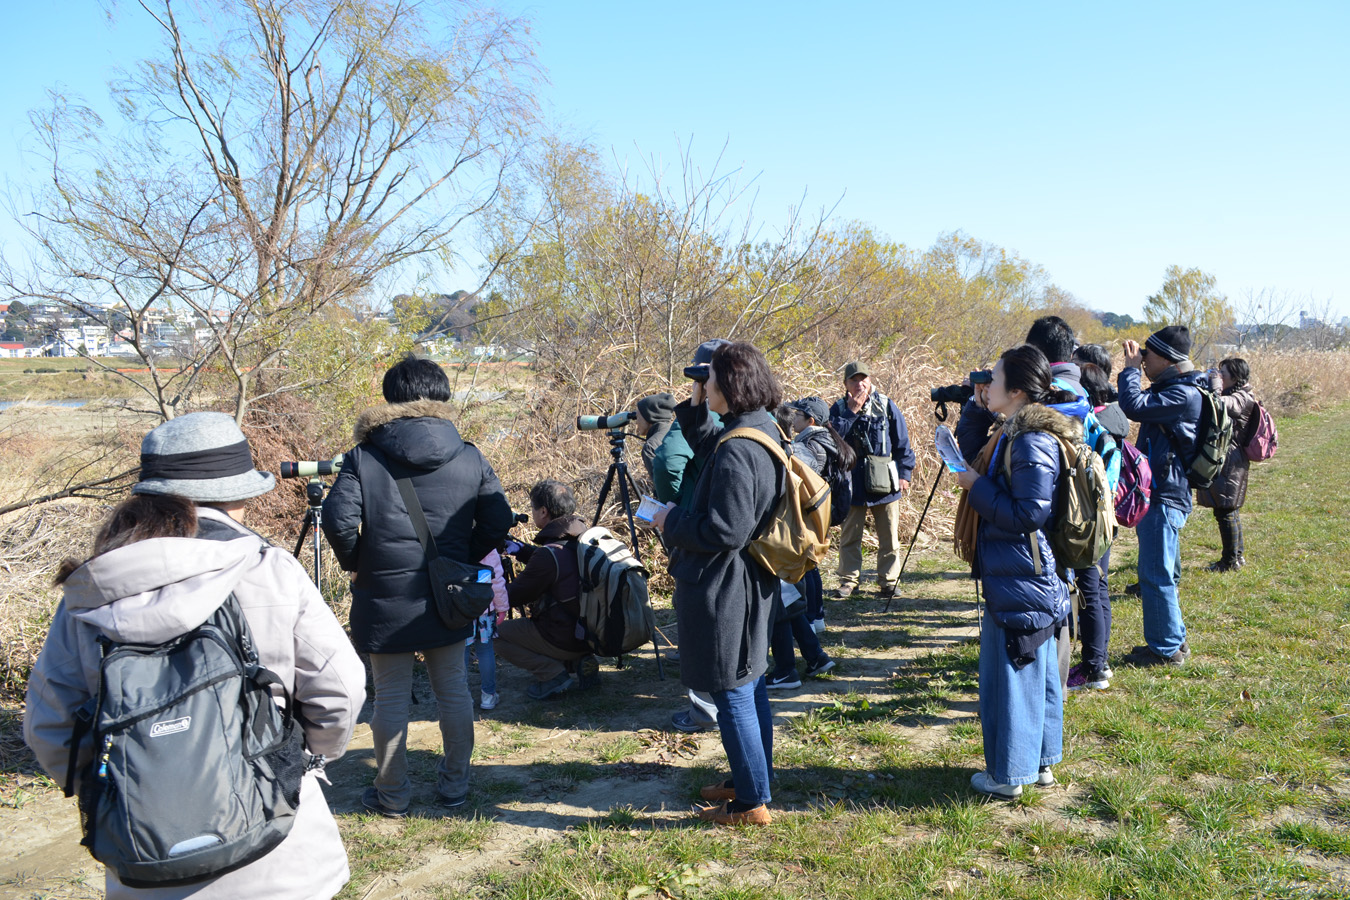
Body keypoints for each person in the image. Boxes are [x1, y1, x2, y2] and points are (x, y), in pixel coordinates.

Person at [25, 413, 367, 899]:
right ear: (243, 493)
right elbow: (341, 687)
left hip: (144, 856)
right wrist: (299, 761)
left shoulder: (96, 589)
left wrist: (124, 785)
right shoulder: (269, 569)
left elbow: (48, 726)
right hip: (277, 846)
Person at [322, 354, 514, 817]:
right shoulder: (469, 454)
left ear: (391, 398)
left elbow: (338, 520)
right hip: (448, 596)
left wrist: (357, 562)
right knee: (453, 689)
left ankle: (393, 795)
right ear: (442, 397)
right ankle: (455, 787)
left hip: (385, 595)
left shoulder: (364, 456)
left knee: (389, 696)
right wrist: (461, 559)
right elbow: (500, 519)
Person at [651, 341, 783, 826]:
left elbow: (726, 529)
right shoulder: (758, 430)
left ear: (728, 385)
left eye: (708, 380)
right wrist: (695, 402)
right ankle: (752, 779)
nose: (702, 387)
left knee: (731, 691)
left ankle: (750, 803)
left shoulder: (740, 449)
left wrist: (670, 519)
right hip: (748, 582)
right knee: (750, 683)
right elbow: (712, 447)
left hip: (724, 586)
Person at [954, 345, 1072, 799]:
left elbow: (1029, 513)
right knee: (1034, 667)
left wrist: (975, 486)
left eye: (996, 377)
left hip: (1023, 571)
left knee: (1014, 672)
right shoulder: (1015, 431)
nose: (987, 384)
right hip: (1022, 569)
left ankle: (1008, 776)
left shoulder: (1030, 440)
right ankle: (1039, 763)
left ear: (1018, 389)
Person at [1117, 326, 1207, 667]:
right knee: (1163, 572)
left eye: (1147, 355)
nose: (1142, 360)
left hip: (1165, 494)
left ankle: (1165, 649)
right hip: (1167, 491)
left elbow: (1132, 405)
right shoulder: (1179, 389)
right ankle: (1172, 640)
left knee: (1155, 574)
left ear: (1168, 359)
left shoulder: (1182, 394)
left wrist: (1128, 370)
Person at [653, 339, 726, 734]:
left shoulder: (710, 423)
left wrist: (673, 511)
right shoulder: (752, 417)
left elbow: (666, 463)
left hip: (698, 533)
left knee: (697, 624)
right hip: (729, 538)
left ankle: (703, 710)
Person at [494, 480, 599, 699]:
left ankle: (553, 674)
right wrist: (520, 549)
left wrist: (492, 580)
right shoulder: (585, 539)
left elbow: (511, 597)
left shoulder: (548, 555)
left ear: (543, 511)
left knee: (495, 634)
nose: (531, 512)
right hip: (592, 632)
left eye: (532, 508)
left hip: (561, 635)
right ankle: (580, 660)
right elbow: (557, 562)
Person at [828, 360, 916, 601]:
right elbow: (831, 442)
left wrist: (904, 474)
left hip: (885, 482)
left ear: (870, 380)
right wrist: (851, 413)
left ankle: (888, 582)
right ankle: (848, 581)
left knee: (889, 536)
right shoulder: (837, 409)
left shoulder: (887, 405)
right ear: (845, 384)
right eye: (854, 380)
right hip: (851, 483)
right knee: (850, 536)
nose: (860, 384)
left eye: (863, 379)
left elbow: (902, 443)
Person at [789, 395, 855, 634]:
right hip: (825, 512)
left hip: (812, 514)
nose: (792, 419)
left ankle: (810, 618)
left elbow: (803, 477)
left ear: (811, 420)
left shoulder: (812, 445)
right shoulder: (826, 439)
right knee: (811, 565)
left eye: (797, 415)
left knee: (806, 566)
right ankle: (816, 617)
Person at [1197, 357, 1258, 572]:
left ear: (1236, 377)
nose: (1220, 375)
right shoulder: (1238, 394)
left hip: (1232, 460)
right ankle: (1235, 557)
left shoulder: (1242, 398)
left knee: (1226, 510)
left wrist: (1214, 387)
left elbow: (1218, 404)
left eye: (1223, 373)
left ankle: (1230, 561)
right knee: (1227, 510)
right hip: (1231, 458)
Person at [465, 549, 509, 711]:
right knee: (485, 651)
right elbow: (495, 580)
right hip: (484, 607)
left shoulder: (452, 540)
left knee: (460, 654)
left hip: (460, 609)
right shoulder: (487, 546)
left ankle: (463, 697)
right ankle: (488, 696)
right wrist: (502, 607)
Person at [635, 392, 676, 481]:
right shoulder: (677, 432)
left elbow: (661, 488)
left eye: (638, 417)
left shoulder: (651, 447)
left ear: (649, 417)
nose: (636, 422)